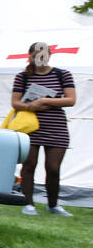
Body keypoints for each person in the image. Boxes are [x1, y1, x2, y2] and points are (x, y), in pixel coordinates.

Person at [12, 41, 77, 216]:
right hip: (30, 126)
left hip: (56, 127)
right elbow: (15, 102)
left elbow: (70, 100)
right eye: (36, 55)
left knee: (53, 168)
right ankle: (29, 204)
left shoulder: (63, 74)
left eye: (43, 55)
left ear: (49, 56)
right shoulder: (22, 77)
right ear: (30, 56)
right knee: (29, 166)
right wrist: (32, 106)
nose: (40, 58)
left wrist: (46, 101)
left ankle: (53, 205)